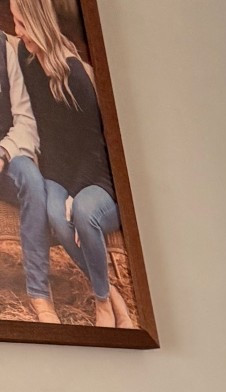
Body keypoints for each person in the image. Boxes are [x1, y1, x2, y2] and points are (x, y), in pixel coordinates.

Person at [10, 0, 131, 326]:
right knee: (55, 214)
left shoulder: (73, 74)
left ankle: (103, 303)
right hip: (57, 175)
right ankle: (112, 294)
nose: (18, 32)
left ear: (38, 23)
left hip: (95, 178)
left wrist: (74, 195)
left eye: (22, 23)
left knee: (82, 213)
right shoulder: (24, 55)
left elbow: (96, 147)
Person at [0, 24, 50, 317]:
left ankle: (39, 293)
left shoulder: (4, 48)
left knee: (32, 180)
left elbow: (25, 120)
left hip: (6, 155)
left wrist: (4, 152)